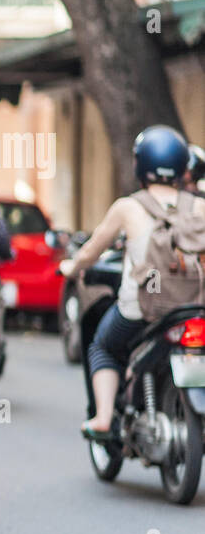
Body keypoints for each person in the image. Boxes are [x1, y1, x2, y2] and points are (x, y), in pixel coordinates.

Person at [61, 125, 198, 438]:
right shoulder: (201, 206)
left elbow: (90, 253)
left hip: (143, 311)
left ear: (141, 165)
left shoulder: (128, 207)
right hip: (194, 310)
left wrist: (71, 267)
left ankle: (104, 418)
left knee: (102, 346)